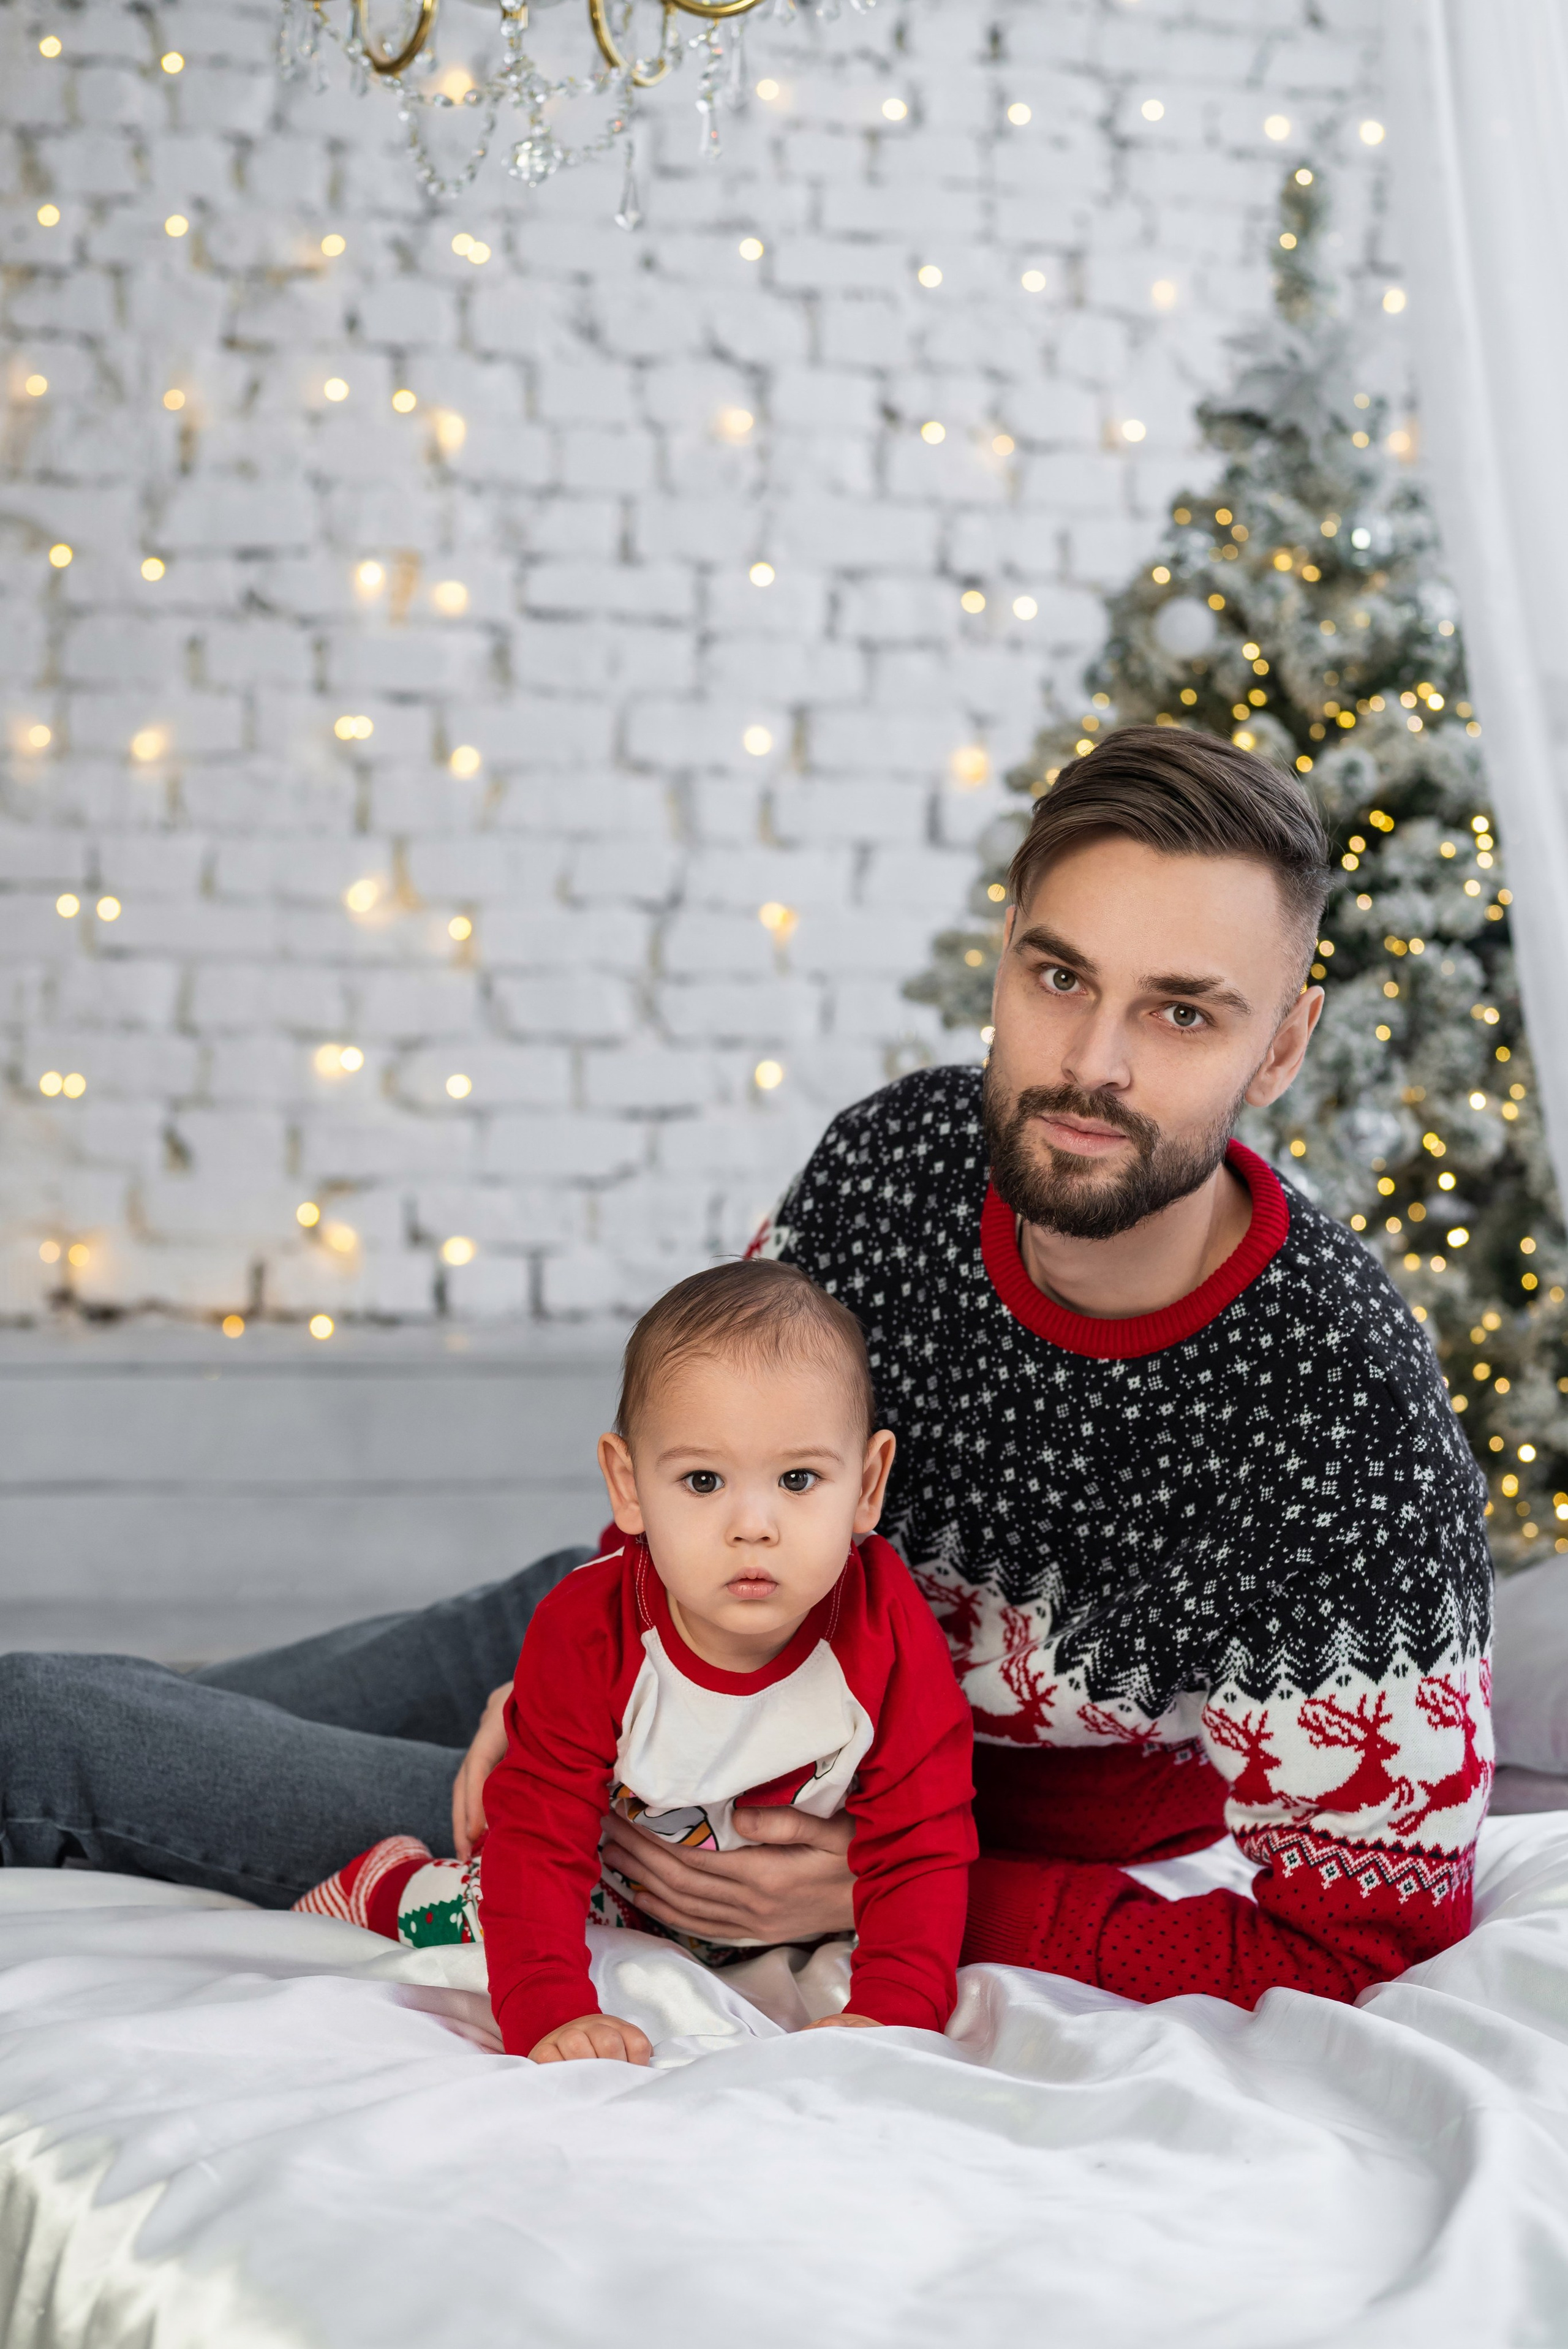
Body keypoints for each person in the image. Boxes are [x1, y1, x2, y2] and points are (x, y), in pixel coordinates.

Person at [0, 726, 1491, 2010]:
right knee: (135, 1705)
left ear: (1281, 1044)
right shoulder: (895, 1159)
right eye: (1057, 975)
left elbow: (1365, 1920)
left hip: (767, 1816)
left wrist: (896, 1890)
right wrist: (568, 1663)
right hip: (636, 1632)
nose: (1089, 1061)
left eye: (1180, 1011)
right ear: (1006, 961)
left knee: (46, 1740)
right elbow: (711, 1410)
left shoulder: (1335, 1411)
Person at [293, 1259, 975, 2061]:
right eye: (702, 1480)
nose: (752, 1524)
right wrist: (551, 2011)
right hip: (617, 1874)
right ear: (628, 1486)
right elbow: (542, 1841)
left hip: (779, 1913)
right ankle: (390, 1884)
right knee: (483, 1906)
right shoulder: (591, 1628)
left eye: (798, 1479)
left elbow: (923, 1840)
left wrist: (892, 2009)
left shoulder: (886, 1630)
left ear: (866, 1485)